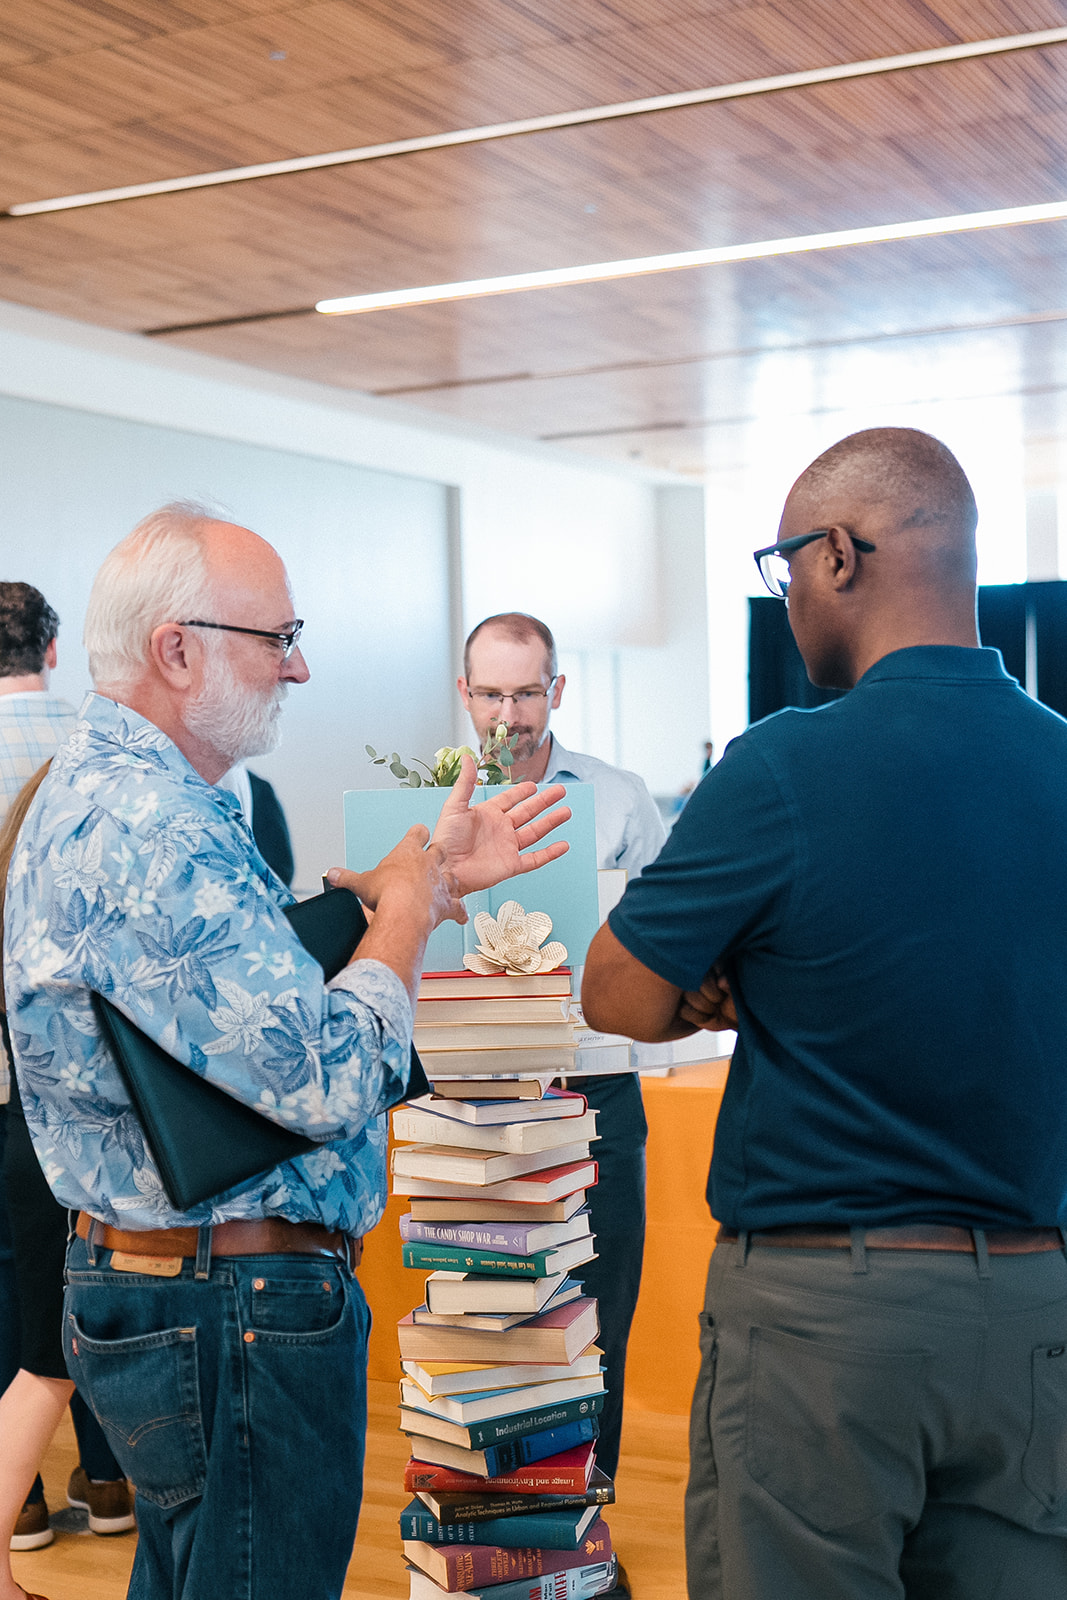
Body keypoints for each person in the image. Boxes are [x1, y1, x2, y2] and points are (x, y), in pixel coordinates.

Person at [3, 506, 570, 1600]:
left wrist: (419, 881)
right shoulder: (157, 824)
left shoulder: (123, 794)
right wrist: (404, 916)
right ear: (177, 649)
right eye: (278, 638)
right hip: (232, 1304)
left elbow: (228, 1003)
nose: (298, 667)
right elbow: (328, 1077)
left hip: (186, 1287)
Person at [581, 426, 1067, 1600]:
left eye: (784, 564)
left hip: (824, 1321)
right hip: (1034, 1312)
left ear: (839, 555)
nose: (786, 595)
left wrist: (730, 981)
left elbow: (615, 991)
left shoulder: (779, 766)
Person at [458, 614, 666, 1508]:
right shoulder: (431, 802)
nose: (507, 715)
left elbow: (660, 940)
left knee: (598, 1309)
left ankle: (582, 1513)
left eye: (524, 693)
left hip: (596, 1086)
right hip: (477, 1093)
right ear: (464, 693)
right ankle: (505, 1511)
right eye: (489, 694)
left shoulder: (617, 799)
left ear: (556, 691)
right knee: (492, 1312)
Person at [0, 585, 133, 1577]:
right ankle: (110, 1474)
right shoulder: (106, 750)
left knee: (15, 1282)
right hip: (95, 1083)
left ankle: (28, 1503)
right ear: (53, 648)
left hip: (9, 1073)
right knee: (91, 1269)